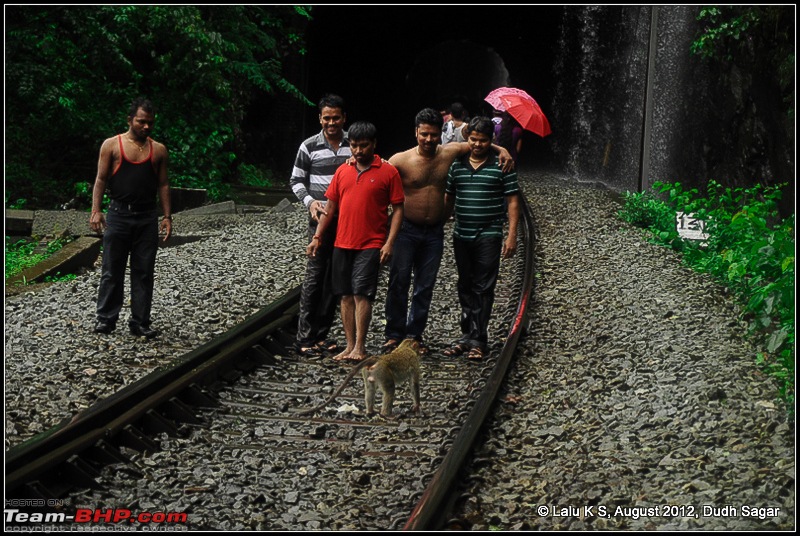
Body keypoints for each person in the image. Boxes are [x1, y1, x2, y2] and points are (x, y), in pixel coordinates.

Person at [383, 108, 514, 355]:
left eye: (433, 135)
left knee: (425, 285)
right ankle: (393, 334)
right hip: (406, 230)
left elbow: (480, 142)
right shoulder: (400, 160)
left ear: (439, 134)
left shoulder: (449, 152)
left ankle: (414, 335)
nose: (429, 139)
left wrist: (502, 149)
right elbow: (378, 175)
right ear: (416, 133)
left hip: (434, 231)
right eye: (424, 134)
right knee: (398, 282)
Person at [307, 121, 405, 363]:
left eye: (363, 146)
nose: (358, 151)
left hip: (370, 243)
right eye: (353, 146)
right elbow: (330, 207)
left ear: (374, 144)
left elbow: (398, 209)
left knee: (362, 293)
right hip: (342, 242)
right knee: (345, 295)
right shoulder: (343, 171)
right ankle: (349, 346)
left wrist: (389, 242)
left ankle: (360, 346)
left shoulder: (388, 171)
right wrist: (318, 236)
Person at [90, 97, 172, 338]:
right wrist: (96, 210)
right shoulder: (112, 146)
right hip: (118, 215)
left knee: (144, 271)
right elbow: (101, 179)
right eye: (141, 122)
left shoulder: (158, 150)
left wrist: (167, 216)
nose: (146, 127)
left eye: (150, 123)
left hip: (146, 217)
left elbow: (164, 184)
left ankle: (140, 321)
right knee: (111, 269)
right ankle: (106, 319)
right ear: (130, 120)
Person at [442, 116, 521, 360]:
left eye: (483, 140)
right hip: (461, 234)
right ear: (467, 138)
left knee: (483, 287)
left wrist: (512, 236)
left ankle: (479, 339)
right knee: (465, 284)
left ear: (492, 140)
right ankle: (467, 335)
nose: (478, 145)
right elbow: (449, 198)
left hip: (489, 234)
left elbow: (513, 201)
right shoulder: (456, 166)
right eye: (474, 139)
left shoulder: (502, 165)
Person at [290, 94, 351, 357]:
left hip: (348, 223)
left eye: (336, 117)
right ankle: (304, 338)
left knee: (335, 279)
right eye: (327, 118)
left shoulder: (354, 144)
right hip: (319, 221)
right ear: (320, 118)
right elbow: (296, 180)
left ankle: (321, 334)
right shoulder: (309, 146)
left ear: (343, 118)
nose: (331, 122)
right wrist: (311, 202)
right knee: (314, 277)